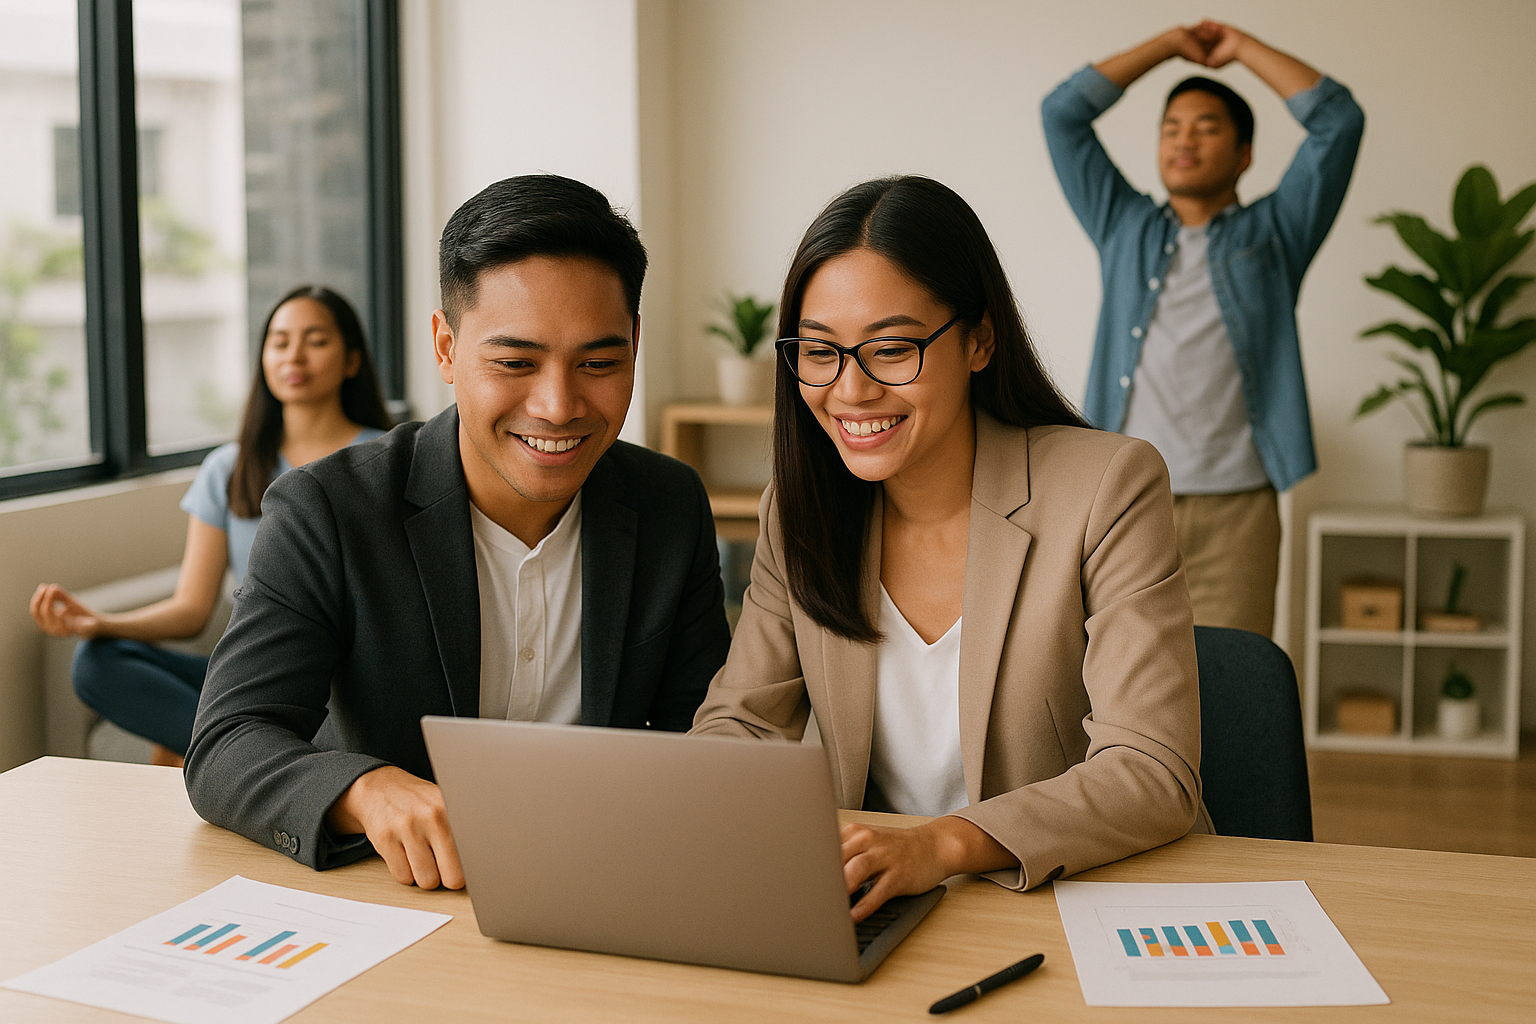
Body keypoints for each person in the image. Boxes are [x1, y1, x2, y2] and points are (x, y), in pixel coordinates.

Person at [185, 174, 732, 889]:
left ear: (633, 345)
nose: (559, 405)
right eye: (515, 363)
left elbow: (706, 733)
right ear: (445, 347)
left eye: (599, 363)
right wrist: (368, 790)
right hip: (406, 896)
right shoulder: (328, 509)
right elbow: (228, 742)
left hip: (605, 879)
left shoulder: (668, 502)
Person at [691, 176, 1209, 922]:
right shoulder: (798, 509)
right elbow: (741, 720)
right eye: (820, 352)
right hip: (886, 907)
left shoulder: (1107, 486)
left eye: (892, 348)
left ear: (978, 340)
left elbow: (1150, 769)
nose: (851, 389)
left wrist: (940, 847)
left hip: (1082, 901)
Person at [1041, 21, 1365, 635]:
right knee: (1120, 682)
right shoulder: (1122, 224)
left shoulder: (1275, 235)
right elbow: (1061, 115)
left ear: (1245, 154)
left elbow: (1339, 122)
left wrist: (1241, 48)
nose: (1184, 140)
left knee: (1233, 685)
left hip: (1238, 509)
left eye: (1207, 127)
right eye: (1172, 128)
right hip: (1126, 498)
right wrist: (1166, 46)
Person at [29, 286, 392, 767]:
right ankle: (256, 758)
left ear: (351, 360)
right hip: (256, 676)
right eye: (279, 341)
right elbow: (192, 609)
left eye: (315, 340)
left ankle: (243, 758)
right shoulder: (229, 468)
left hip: (346, 686)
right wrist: (101, 623)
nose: (294, 355)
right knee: (96, 663)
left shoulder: (387, 460)